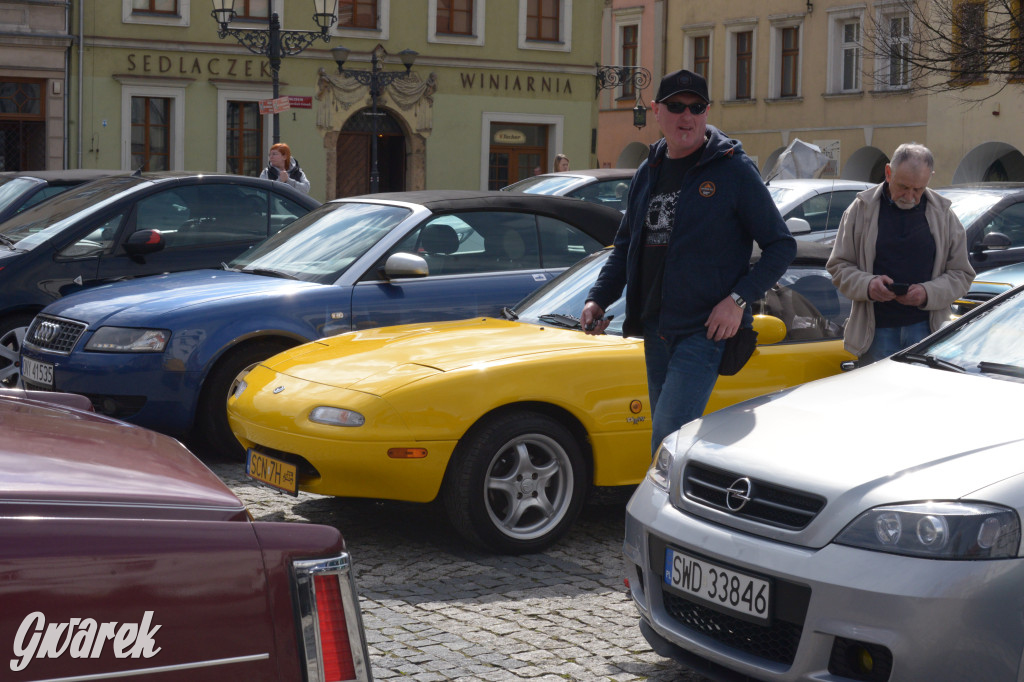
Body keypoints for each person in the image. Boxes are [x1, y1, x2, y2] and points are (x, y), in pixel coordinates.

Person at [580, 69, 796, 453]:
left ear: (707, 112)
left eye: (696, 108)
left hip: (704, 330)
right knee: (667, 439)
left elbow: (781, 246)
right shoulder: (648, 171)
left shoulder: (733, 169)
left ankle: (663, 494)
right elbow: (626, 246)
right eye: (676, 106)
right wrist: (598, 298)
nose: (687, 116)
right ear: (656, 111)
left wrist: (737, 301)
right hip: (655, 327)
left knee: (669, 437)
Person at [827, 143, 974, 365]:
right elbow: (838, 266)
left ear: (930, 178)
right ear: (888, 173)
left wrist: (927, 293)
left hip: (928, 332)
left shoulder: (943, 214)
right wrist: (868, 285)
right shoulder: (861, 209)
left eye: (918, 189)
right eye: (903, 187)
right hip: (875, 333)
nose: (910, 196)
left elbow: (962, 274)